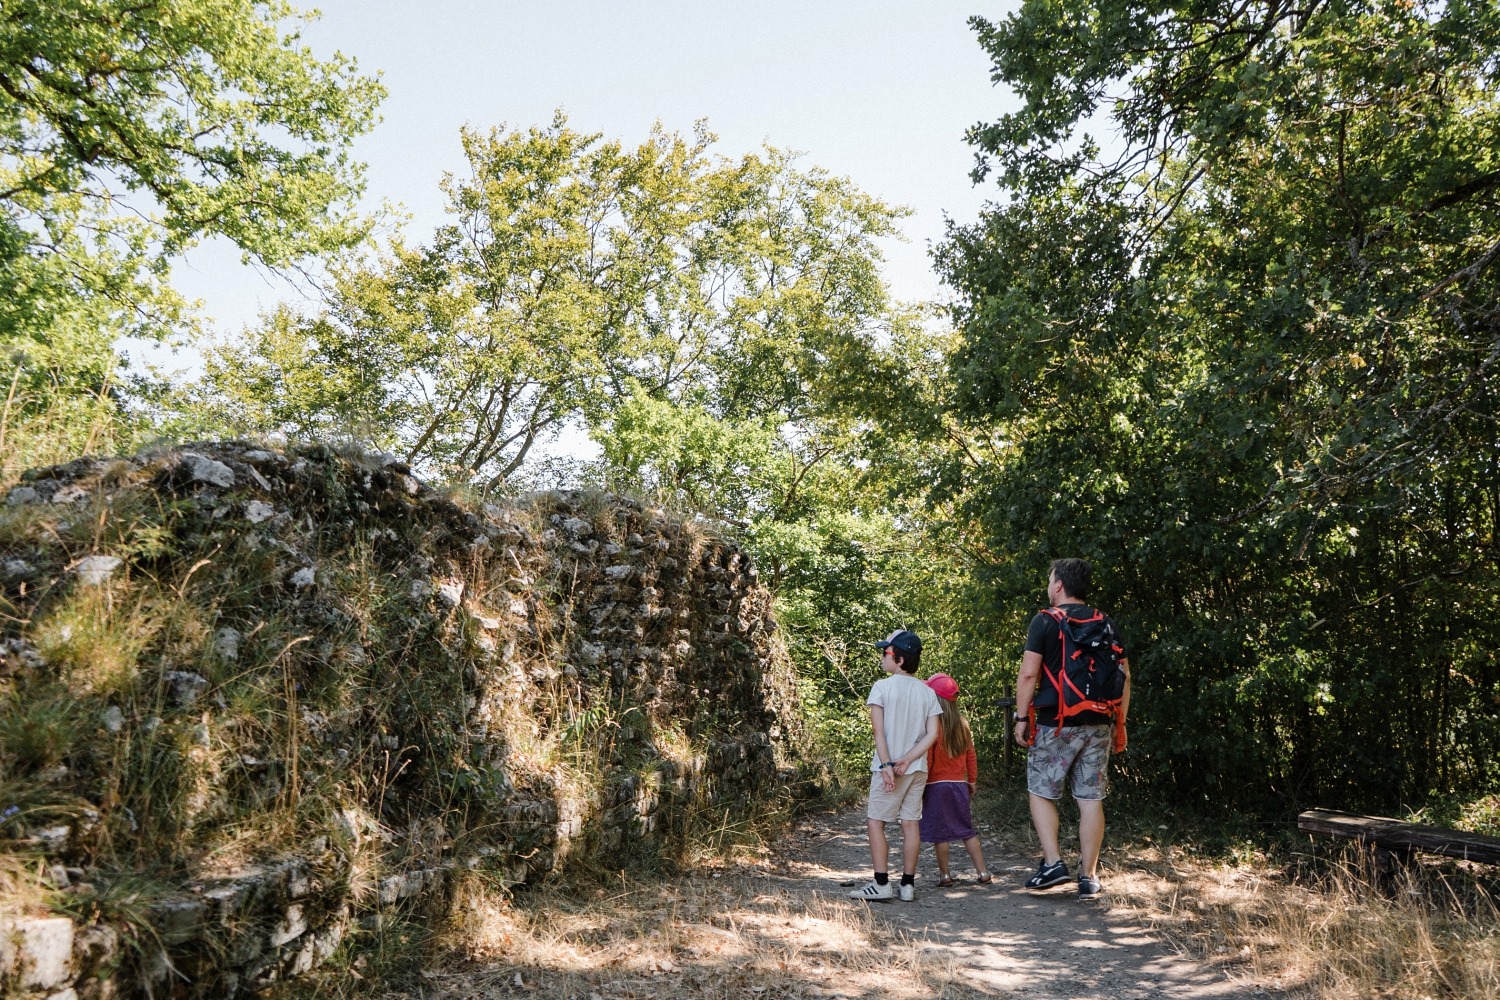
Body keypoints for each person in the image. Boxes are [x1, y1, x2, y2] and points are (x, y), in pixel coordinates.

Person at [1012, 558, 1131, 900]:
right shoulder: (1106, 622)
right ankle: (1089, 877)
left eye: (1050, 580)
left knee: (1040, 790)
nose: (1049, 585)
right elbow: (1125, 677)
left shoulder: (1045, 621)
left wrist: (1022, 718)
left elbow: (1029, 674)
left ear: (1059, 585)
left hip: (1056, 721)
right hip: (1099, 722)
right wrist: (1118, 721)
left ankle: (1052, 863)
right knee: (1090, 798)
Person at [848, 629, 942, 903]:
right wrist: (909, 759)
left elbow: (879, 732)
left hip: (888, 767)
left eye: (885, 653)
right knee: (910, 824)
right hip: (917, 768)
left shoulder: (881, 687)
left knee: (876, 821)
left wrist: (889, 764)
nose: (882, 657)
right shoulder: (927, 692)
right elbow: (932, 734)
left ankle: (880, 883)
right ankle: (908, 885)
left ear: (899, 659)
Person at [919, 673, 992, 886]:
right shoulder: (963, 725)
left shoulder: (933, 727)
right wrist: (972, 780)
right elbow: (971, 755)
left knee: (941, 834)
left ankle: (945, 875)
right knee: (966, 830)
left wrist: (922, 784)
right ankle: (983, 872)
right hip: (959, 784)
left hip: (936, 786)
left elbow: (929, 759)